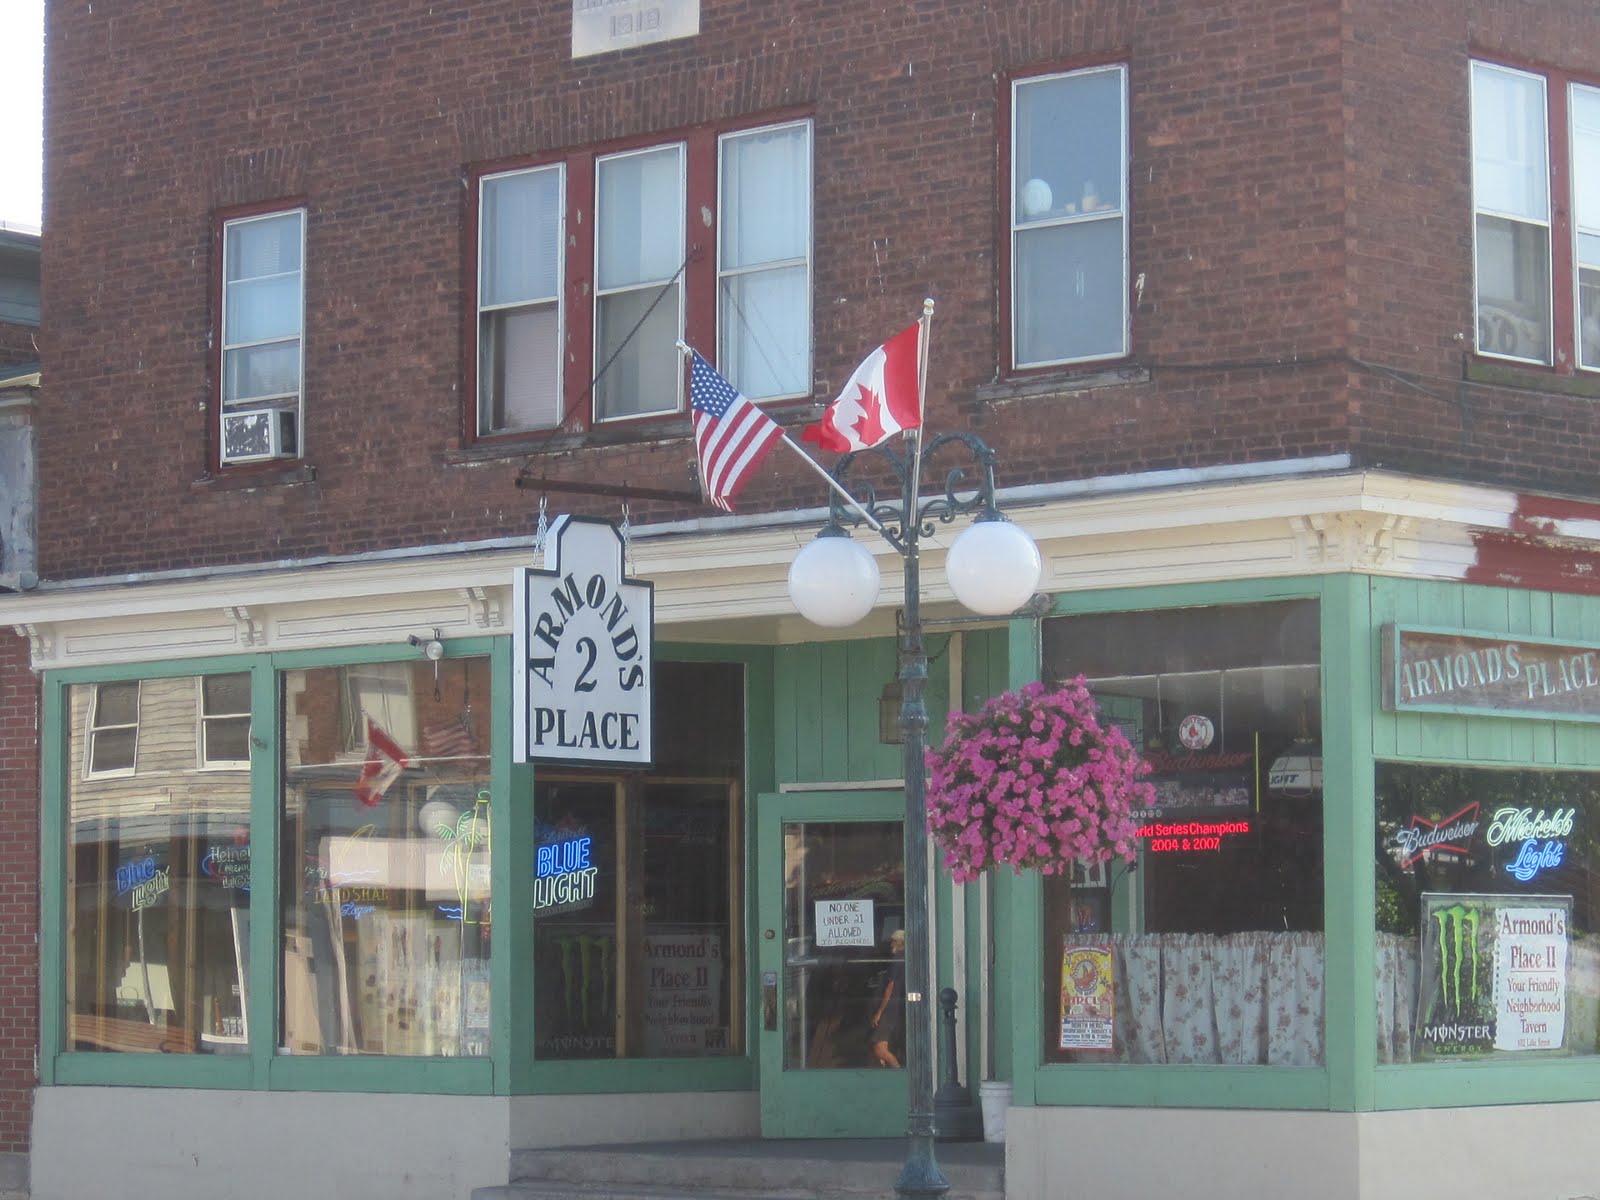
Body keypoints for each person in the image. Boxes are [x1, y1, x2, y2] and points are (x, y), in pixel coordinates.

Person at [868, 929, 906, 1068]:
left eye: (893, 941)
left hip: (891, 1009)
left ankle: (899, 1073)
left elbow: (890, 987)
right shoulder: (906, 959)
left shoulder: (897, 960)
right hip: (899, 1008)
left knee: (880, 1049)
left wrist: (879, 1012)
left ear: (899, 943)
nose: (890, 945)